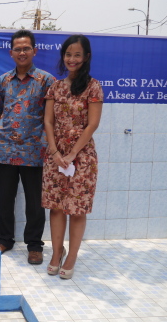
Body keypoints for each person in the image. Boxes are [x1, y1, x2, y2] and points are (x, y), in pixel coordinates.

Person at [0, 30, 56, 264]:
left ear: (34, 51)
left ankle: (35, 245)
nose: (22, 52)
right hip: (6, 151)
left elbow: (53, 116)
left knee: (35, 202)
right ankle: (5, 239)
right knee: (6, 199)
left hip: (35, 152)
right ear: (11, 53)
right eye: (17, 49)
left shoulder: (47, 81)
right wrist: (11, 132)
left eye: (26, 48)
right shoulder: (3, 80)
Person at [42, 34, 103, 279]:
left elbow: (92, 125)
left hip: (82, 157)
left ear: (86, 57)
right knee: (56, 208)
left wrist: (73, 153)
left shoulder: (93, 86)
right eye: (68, 54)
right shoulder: (55, 86)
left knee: (76, 209)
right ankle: (56, 253)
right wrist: (56, 152)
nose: (72, 59)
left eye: (77, 54)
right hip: (54, 156)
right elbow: (47, 120)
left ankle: (72, 256)